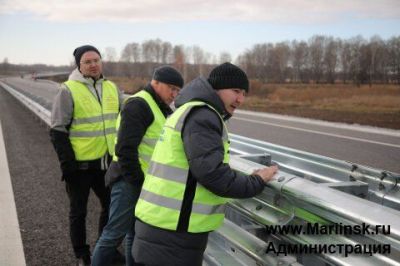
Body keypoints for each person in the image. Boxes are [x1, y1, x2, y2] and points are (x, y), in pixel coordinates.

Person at [132, 62, 278, 266]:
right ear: (217, 88)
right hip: (173, 231)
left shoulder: (193, 110)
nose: (240, 99)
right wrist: (256, 180)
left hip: (164, 224)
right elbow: (213, 175)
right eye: (235, 91)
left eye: (244, 93)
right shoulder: (204, 115)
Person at [91, 66, 184, 266]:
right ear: (156, 82)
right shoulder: (139, 104)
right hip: (129, 181)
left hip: (143, 181)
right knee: (113, 235)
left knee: (135, 235)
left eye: (178, 91)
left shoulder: (160, 106)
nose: (174, 95)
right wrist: (139, 183)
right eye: (172, 88)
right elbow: (126, 150)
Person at [50, 45, 124, 266]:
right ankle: (82, 255)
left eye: (96, 60)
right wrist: (67, 164)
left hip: (107, 164)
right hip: (79, 167)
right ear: (79, 66)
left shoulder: (112, 88)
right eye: (87, 62)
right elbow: (57, 129)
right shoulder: (68, 89)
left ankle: (104, 250)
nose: (93, 65)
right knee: (78, 213)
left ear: (101, 62)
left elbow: (123, 121)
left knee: (111, 207)